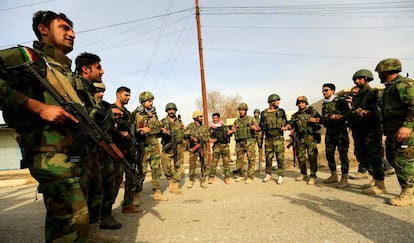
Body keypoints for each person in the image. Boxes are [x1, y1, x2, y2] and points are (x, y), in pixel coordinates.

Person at [0, 11, 89, 242]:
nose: (72, 34)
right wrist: (37, 107)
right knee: (72, 220)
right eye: (64, 28)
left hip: (70, 154)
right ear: (43, 30)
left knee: (74, 220)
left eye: (72, 29)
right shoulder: (28, 58)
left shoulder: (63, 71)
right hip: (47, 153)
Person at [74, 52, 120, 241]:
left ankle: (92, 236)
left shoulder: (91, 96)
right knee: (77, 202)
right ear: (86, 69)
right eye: (99, 67)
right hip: (76, 153)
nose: (102, 71)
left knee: (95, 194)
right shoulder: (73, 86)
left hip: (93, 154)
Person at [375, 58, 414, 206]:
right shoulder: (390, 87)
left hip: (405, 131)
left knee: (403, 160)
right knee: (392, 157)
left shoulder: (403, 84)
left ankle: (408, 193)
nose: (379, 74)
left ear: (385, 70)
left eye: (380, 72)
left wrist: (407, 126)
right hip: (394, 132)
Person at [348, 69, 386, 195]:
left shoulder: (373, 92)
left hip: (371, 131)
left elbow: (381, 109)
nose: (357, 81)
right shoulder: (358, 96)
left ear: (366, 79)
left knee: (375, 156)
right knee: (365, 157)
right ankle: (375, 180)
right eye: (355, 79)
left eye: (359, 78)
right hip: (360, 130)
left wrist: (368, 112)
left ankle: (381, 184)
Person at [111, 86, 144, 213]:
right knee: (116, 178)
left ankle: (128, 204)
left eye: (129, 95)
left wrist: (139, 131)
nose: (128, 98)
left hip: (129, 149)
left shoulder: (128, 113)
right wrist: (120, 132)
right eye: (126, 95)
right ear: (118, 95)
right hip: (116, 150)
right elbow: (108, 128)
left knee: (131, 175)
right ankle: (106, 209)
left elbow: (131, 131)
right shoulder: (111, 109)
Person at [134, 91, 168, 201]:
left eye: (152, 101)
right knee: (141, 171)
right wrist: (144, 130)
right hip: (143, 147)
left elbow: (158, 126)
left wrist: (150, 128)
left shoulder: (153, 113)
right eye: (149, 101)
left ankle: (157, 192)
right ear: (143, 102)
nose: (151, 103)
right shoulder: (136, 114)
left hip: (154, 146)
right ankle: (136, 195)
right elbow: (136, 130)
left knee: (156, 170)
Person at [320, 83, 351, 188]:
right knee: (329, 154)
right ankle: (333, 175)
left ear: (333, 91)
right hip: (330, 133)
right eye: (323, 91)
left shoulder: (340, 101)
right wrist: (330, 117)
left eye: (326, 90)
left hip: (341, 132)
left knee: (343, 155)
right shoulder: (324, 104)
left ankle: (344, 178)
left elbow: (348, 114)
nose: (324, 92)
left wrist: (339, 117)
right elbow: (323, 119)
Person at [286, 96, 321, 185]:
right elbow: (291, 124)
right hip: (300, 138)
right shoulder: (295, 115)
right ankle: (303, 173)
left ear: (306, 103)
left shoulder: (312, 112)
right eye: (299, 103)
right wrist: (288, 126)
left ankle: (313, 175)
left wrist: (316, 120)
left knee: (312, 157)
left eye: (302, 102)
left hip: (310, 137)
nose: (301, 104)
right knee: (300, 157)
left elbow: (321, 120)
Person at [259, 94, 287, 184]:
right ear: (271, 102)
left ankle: (280, 175)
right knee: (268, 158)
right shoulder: (264, 113)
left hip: (279, 138)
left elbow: (286, 123)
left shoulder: (281, 112)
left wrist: (286, 127)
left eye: (278, 100)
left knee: (280, 158)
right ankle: (268, 174)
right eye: (276, 101)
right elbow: (261, 127)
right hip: (268, 139)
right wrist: (261, 140)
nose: (278, 102)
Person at [160, 102, 186, 194]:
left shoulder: (180, 122)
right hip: (167, 147)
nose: (171, 111)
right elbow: (157, 134)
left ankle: (175, 185)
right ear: (167, 111)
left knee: (179, 166)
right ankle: (170, 181)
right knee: (165, 167)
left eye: (173, 109)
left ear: (175, 111)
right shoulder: (162, 122)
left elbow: (184, 133)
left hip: (178, 147)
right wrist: (162, 131)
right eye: (169, 109)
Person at [233, 103, 260, 184]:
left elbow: (258, 128)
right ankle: (241, 175)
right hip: (239, 143)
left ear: (246, 110)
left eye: (242, 110)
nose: (241, 111)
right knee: (239, 160)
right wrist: (232, 130)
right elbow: (233, 129)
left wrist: (255, 128)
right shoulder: (236, 121)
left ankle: (250, 176)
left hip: (249, 142)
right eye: (240, 110)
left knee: (251, 160)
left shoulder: (251, 119)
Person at [184, 110, 211, 188]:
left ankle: (203, 180)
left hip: (203, 147)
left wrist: (208, 139)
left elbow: (208, 136)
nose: (202, 118)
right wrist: (191, 138)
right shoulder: (190, 126)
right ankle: (191, 180)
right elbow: (185, 134)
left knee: (204, 163)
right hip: (193, 147)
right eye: (200, 116)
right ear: (195, 118)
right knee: (192, 164)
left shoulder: (204, 127)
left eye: (202, 116)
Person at [208, 112, 233, 185]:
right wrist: (210, 140)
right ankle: (211, 177)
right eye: (213, 118)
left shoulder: (224, 127)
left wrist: (230, 133)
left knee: (226, 163)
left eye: (216, 118)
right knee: (214, 163)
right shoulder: (211, 128)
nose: (214, 119)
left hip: (225, 146)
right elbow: (208, 136)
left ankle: (227, 177)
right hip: (216, 147)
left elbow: (229, 133)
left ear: (219, 118)